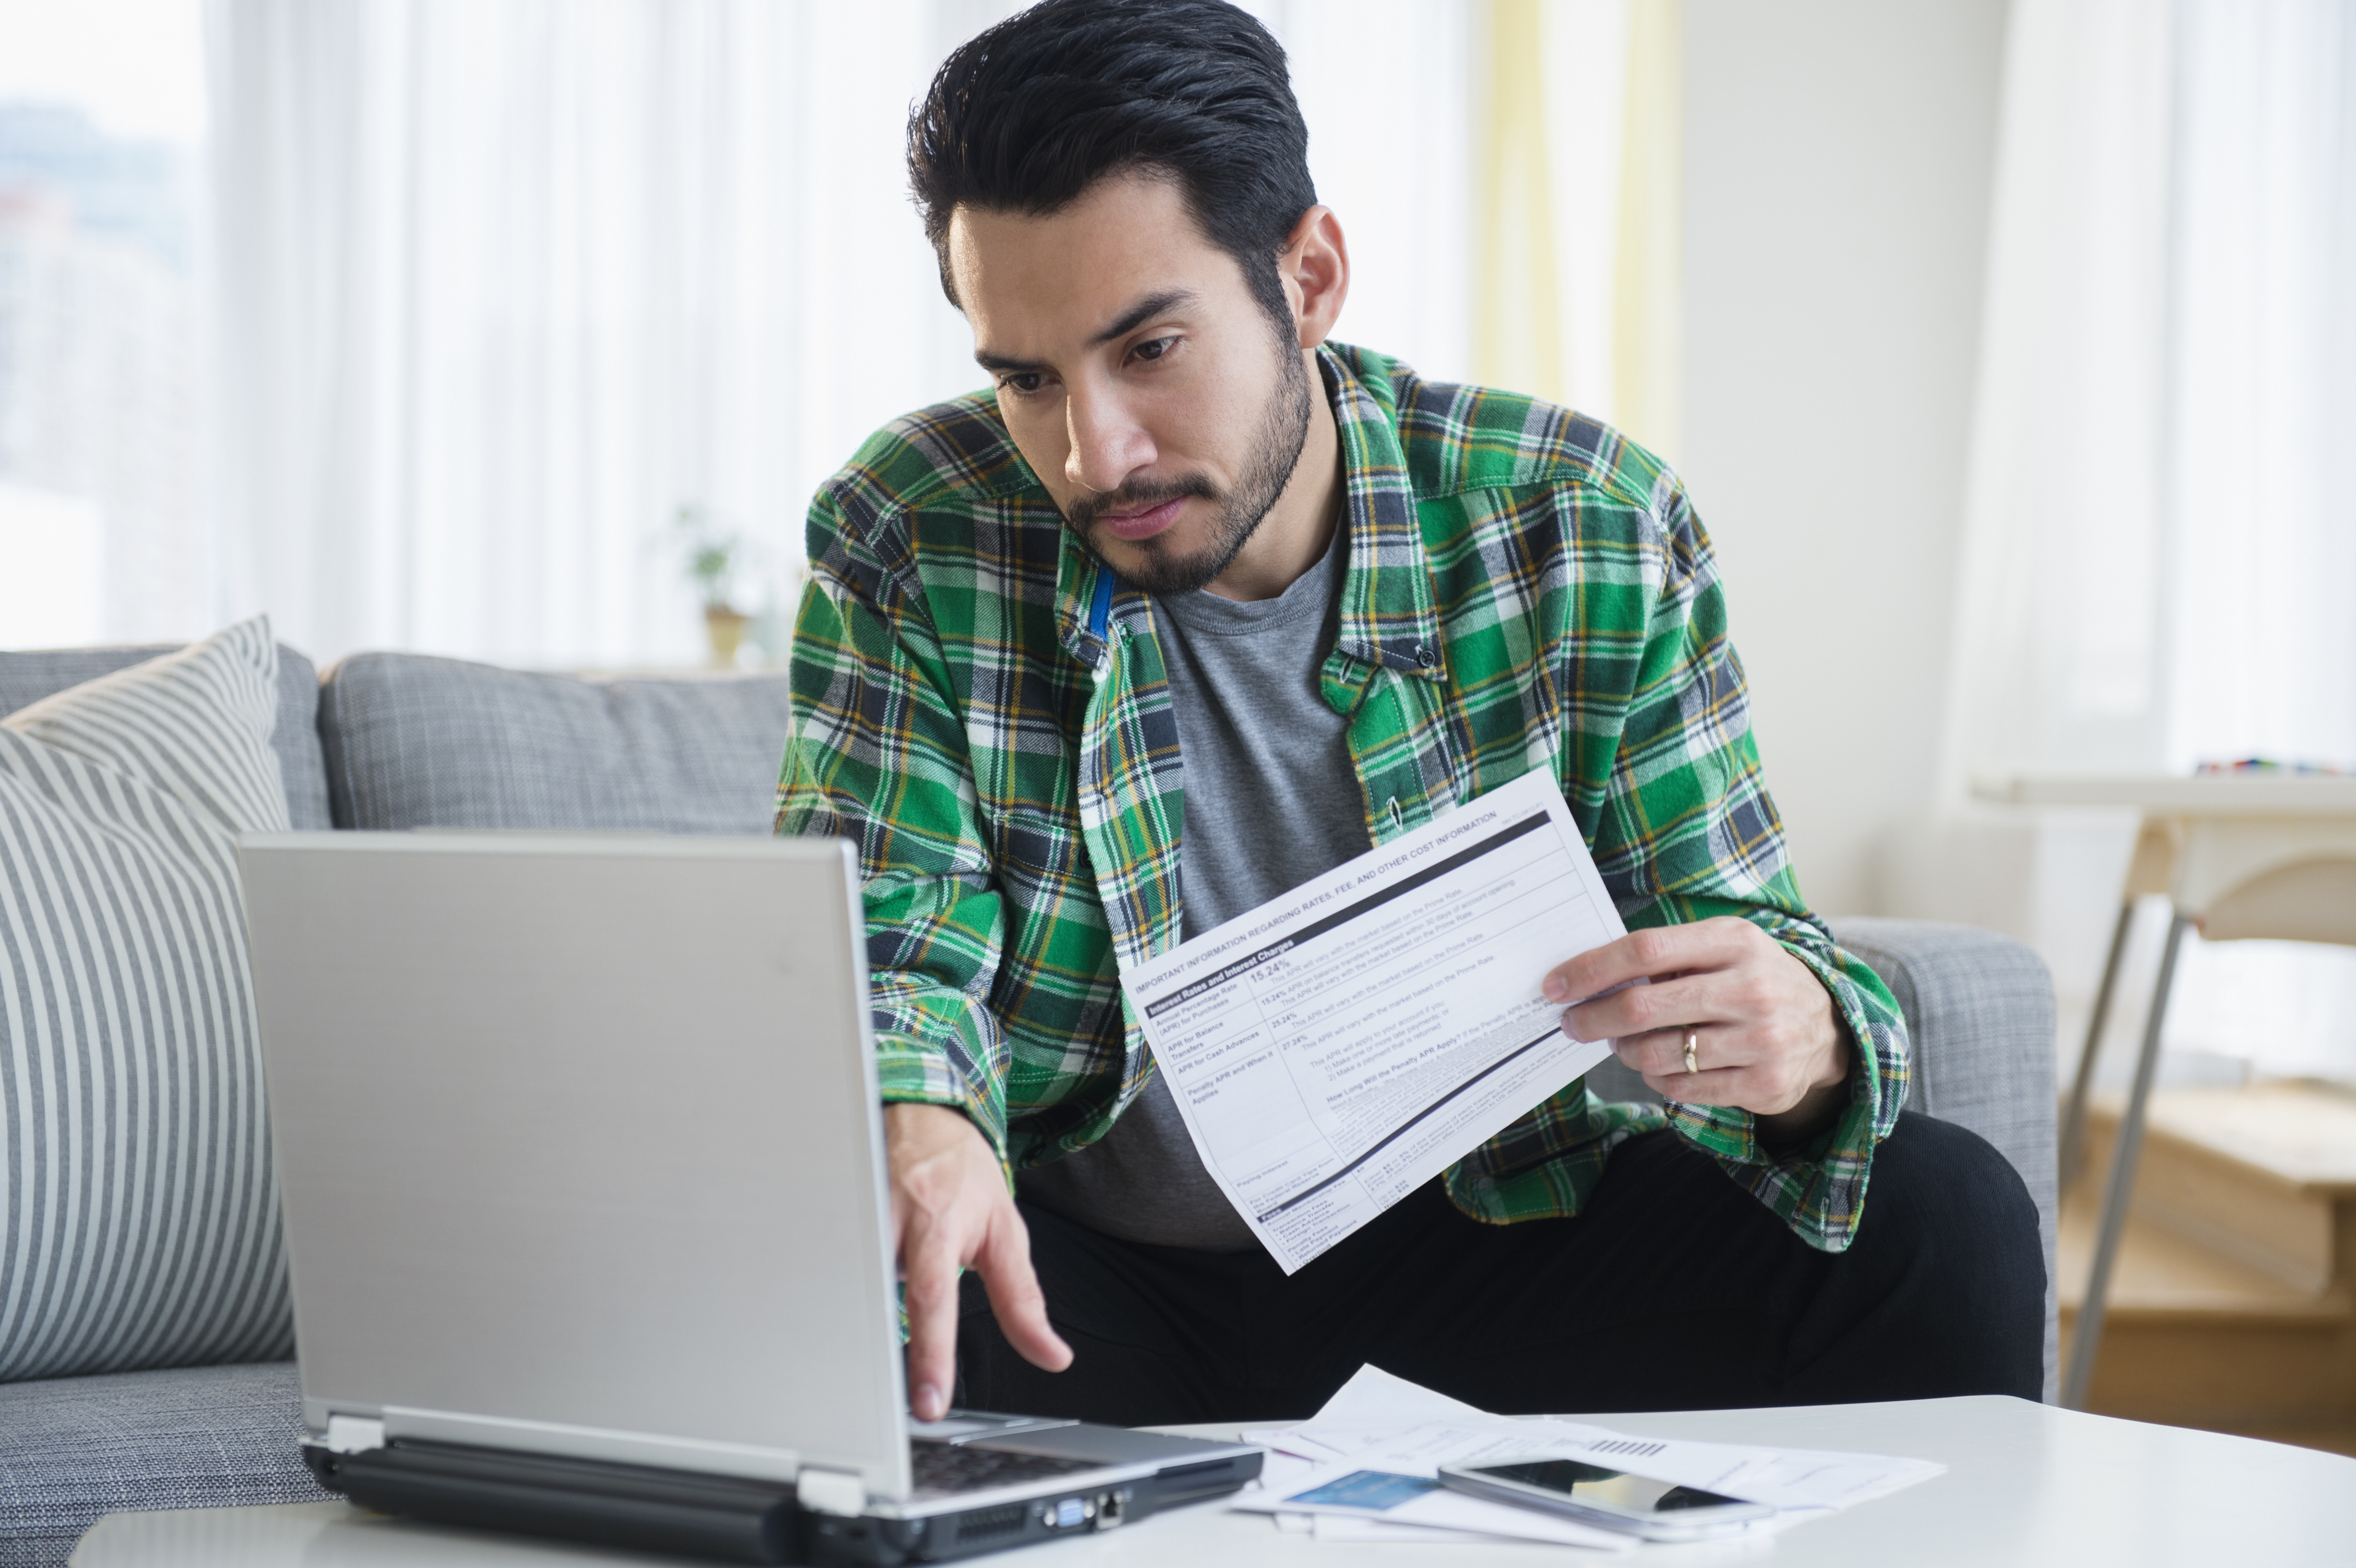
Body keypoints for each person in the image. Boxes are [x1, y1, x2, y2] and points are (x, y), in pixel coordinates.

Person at [776, 0, 2044, 1427]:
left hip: (1489, 1252)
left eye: (1149, 350)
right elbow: (894, 943)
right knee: (802, 1266)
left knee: (1947, 1215)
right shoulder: (914, 525)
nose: (1093, 452)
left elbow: (1749, 935)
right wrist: (923, 1120)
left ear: (1306, 278)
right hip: (1085, 1287)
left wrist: (1799, 1037)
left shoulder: (1583, 523)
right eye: (1025, 378)